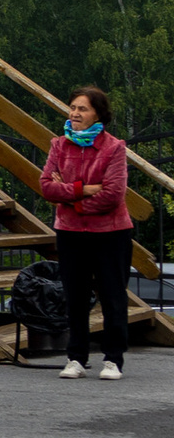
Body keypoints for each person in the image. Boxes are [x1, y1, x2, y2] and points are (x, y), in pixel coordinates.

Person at [44, 86, 134, 381]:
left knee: (112, 296)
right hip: (70, 233)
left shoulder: (114, 148)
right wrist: (83, 190)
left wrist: (69, 198)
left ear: (98, 113)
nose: (75, 113)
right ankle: (75, 358)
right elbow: (47, 186)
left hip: (110, 233)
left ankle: (113, 359)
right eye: (72, 107)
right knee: (75, 296)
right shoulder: (59, 145)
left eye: (82, 109)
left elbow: (113, 194)